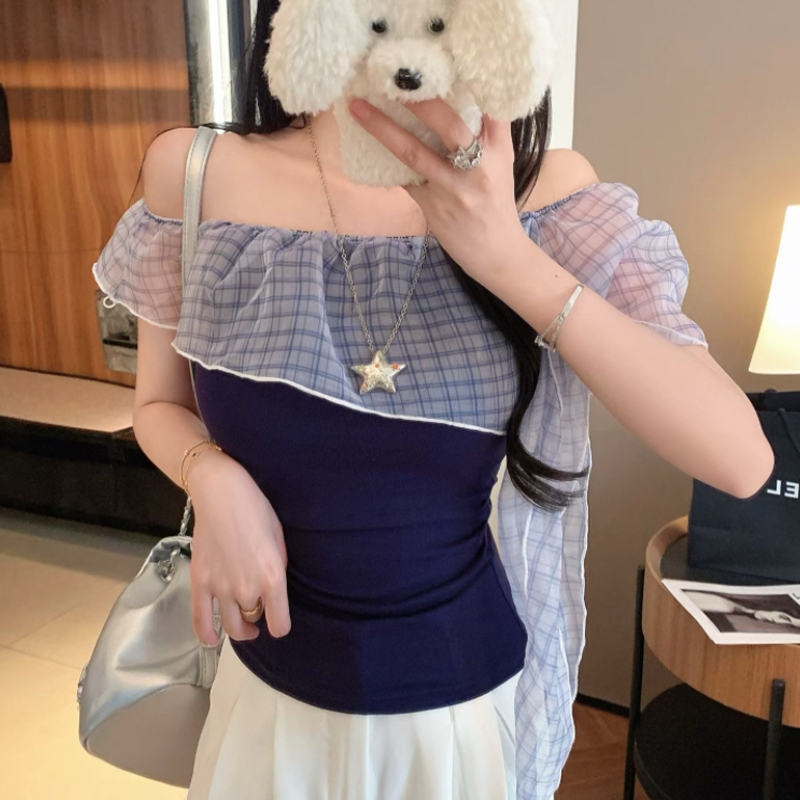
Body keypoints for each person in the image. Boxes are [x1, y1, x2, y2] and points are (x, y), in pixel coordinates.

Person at [91, 2, 775, 798]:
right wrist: (211, 475)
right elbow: (157, 407)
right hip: (262, 700)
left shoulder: (545, 193)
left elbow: (738, 458)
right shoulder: (196, 173)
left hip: (457, 712)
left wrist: (505, 255)